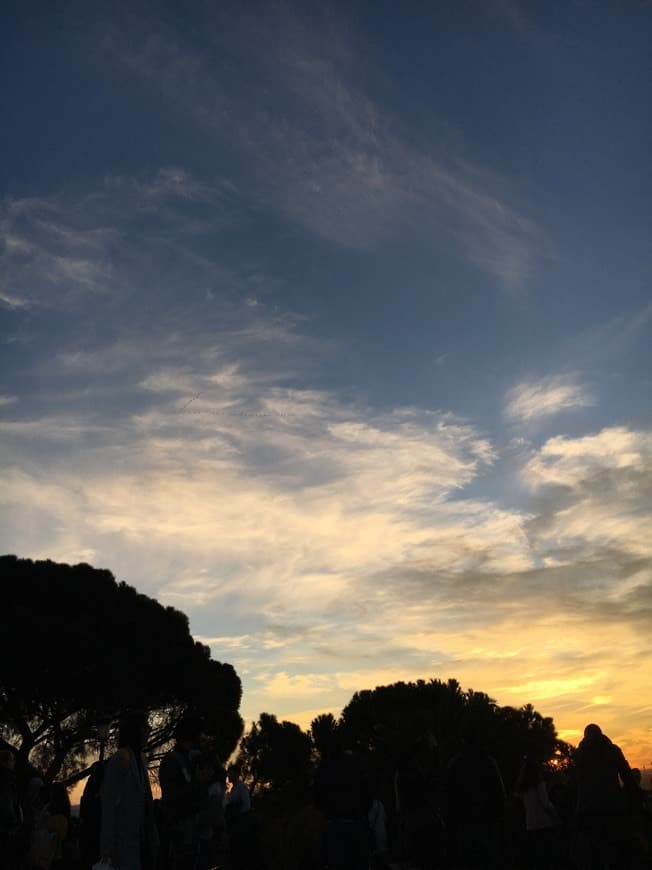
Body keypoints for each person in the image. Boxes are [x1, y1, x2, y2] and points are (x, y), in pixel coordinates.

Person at [99, 710, 158, 870]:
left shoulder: (141, 758)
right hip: (123, 845)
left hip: (140, 842)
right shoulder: (120, 759)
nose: (149, 731)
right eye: (146, 727)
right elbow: (109, 806)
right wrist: (106, 850)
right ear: (137, 730)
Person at [574, 722, 637, 870]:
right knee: (619, 854)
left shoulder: (579, 755)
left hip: (588, 812)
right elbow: (628, 778)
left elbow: (576, 784)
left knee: (595, 855)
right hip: (613, 809)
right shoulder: (613, 751)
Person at [446, 726, 506, 870]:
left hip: (464, 822)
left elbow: (448, 795)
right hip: (486, 822)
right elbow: (500, 793)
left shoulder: (455, 763)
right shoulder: (489, 762)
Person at [158, 714, 205, 869]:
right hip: (179, 833)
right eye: (200, 734)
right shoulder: (172, 761)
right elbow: (174, 797)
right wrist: (196, 783)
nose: (203, 738)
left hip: (191, 831)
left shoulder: (191, 760)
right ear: (193, 735)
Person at [516, 757, 559, 870]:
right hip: (543, 823)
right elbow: (545, 803)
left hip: (530, 824)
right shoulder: (539, 784)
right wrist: (555, 815)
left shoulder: (523, 787)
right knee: (547, 855)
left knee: (537, 855)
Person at [0, 750, 23, 869]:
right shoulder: (6, 779)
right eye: (12, 760)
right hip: (7, 828)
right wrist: (13, 823)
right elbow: (7, 803)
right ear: (5, 762)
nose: (14, 762)